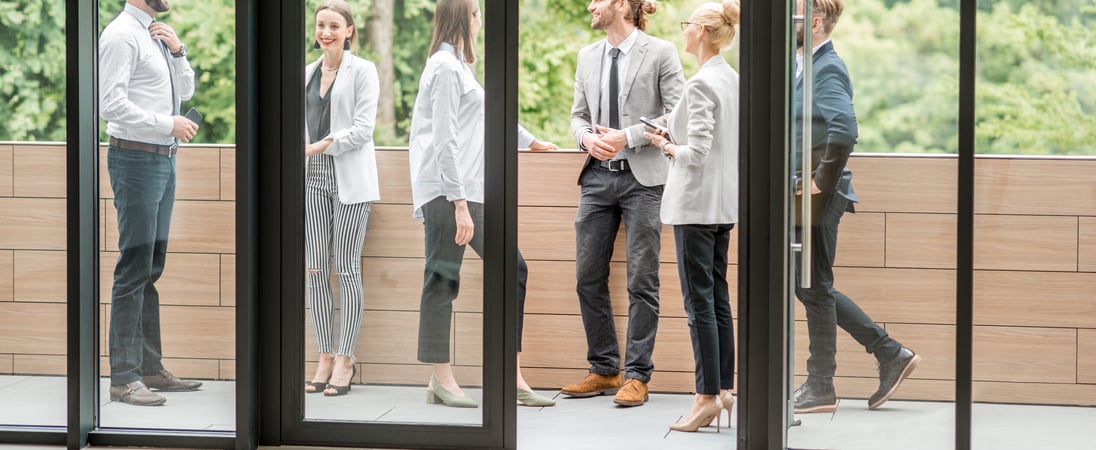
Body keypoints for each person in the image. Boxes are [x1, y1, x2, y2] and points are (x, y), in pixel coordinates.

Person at [408, 0, 559, 408]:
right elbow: (443, 139)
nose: (482, 22)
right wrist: (458, 203)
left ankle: (511, 375)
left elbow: (488, 113)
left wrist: (530, 141)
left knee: (514, 268)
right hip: (447, 193)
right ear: (467, 18)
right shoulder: (442, 67)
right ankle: (440, 377)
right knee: (441, 279)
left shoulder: (460, 67)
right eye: (478, 14)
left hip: (470, 190)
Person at [791, 0, 921, 413]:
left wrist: (818, 182)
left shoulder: (827, 66)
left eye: (791, 15)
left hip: (817, 197)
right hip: (803, 195)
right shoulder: (803, 64)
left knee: (813, 288)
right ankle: (889, 354)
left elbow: (844, 130)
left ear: (813, 23)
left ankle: (822, 385)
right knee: (811, 286)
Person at [561, 0, 685, 407]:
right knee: (586, 277)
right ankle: (604, 368)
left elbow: (677, 115)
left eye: (597, 0)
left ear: (619, 4)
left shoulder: (661, 52)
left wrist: (626, 137)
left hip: (644, 182)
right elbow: (578, 116)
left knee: (642, 280)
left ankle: (636, 375)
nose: (590, 6)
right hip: (597, 179)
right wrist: (586, 140)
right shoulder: (587, 56)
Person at [99, 0, 201, 406]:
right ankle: (123, 378)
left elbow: (186, 90)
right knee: (133, 266)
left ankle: (149, 369)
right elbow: (110, 104)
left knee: (150, 267)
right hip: (136, 159)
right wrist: (167, 124)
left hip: (163, 159)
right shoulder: (122, 35)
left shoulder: (154, 34)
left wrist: (179, 53)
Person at [643, 0, 740, 432]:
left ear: (701, 31)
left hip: (696, 205)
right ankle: (723, 390)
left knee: (698, 304)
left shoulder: (701, 83)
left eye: (686, 25)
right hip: (722, 206)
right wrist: (673, 130)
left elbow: (696, 153)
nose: (682, 32)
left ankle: (704, 398)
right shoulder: (732, 79)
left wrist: (665, 145)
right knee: (717, 299)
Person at [302, 0, 380, 397]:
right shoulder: (304, 74)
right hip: (310, 180)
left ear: (349, 30)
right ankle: (324, 354)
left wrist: (317, 147)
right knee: (315, 269)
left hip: (349, 179)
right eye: (320, 25)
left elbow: (364, 129)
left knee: (346, 268)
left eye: (334, 25)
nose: (326, 32)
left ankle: (346, 357)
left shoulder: (364, 70)